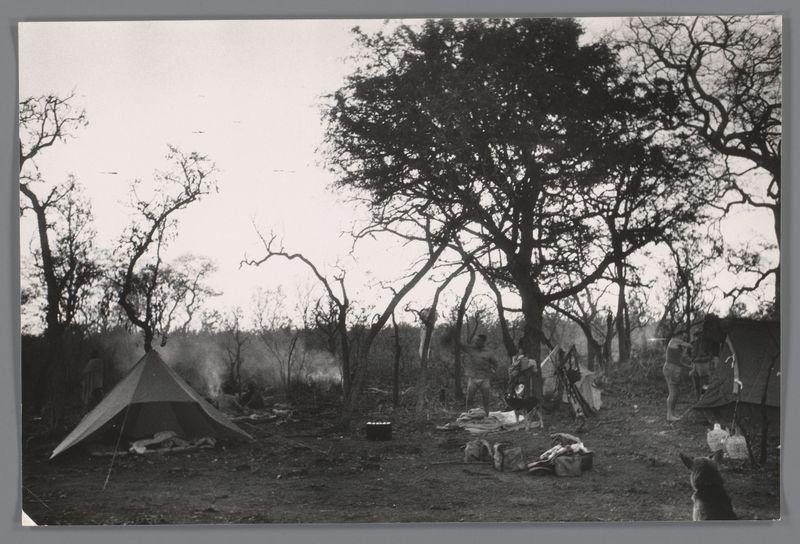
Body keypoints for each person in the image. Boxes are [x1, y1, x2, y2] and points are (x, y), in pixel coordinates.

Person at [461, 334, 499, 418]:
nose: (476, 341)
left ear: (483, 342)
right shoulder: (471, 349)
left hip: (484, 378)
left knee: (486, 398)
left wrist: (493, 370)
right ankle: (468, 414)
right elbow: (462, 347)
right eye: (476, 340)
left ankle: (486, 415)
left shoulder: (489, 352)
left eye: (478, 340)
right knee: (469, 397)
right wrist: (455, 339)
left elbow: (495, 362)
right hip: (473, 377)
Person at [663, 337, 693, 422]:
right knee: (672, 392)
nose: (683, 339)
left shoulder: (678, 348)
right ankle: (669, 415)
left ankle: (672, 414)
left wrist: (689, 367)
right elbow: (689, 345)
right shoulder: (673, 341)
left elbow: (679, 362)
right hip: (671, 369)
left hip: (674, 369)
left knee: (675, 392)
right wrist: (688, 346)